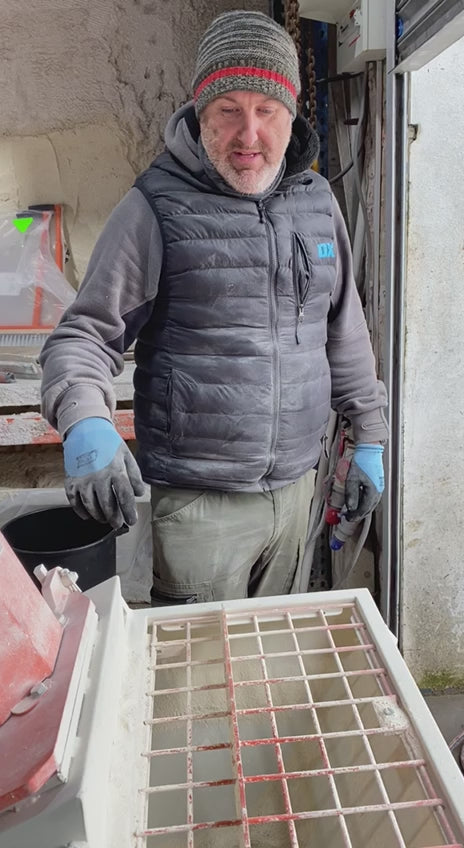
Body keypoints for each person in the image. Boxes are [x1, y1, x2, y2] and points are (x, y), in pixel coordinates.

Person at [40, 10, 388, 605]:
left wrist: (370, 438)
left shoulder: (317, 202)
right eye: (229, 110)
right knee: (199, 657)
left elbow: (343, 331)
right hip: (200, 505)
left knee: (273, 646)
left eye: (267, 110)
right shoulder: (155, 207)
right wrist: (85, 420)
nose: (248, 134)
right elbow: (85, 337)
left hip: (296, 490)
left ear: (292, 115)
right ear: (200, 114)